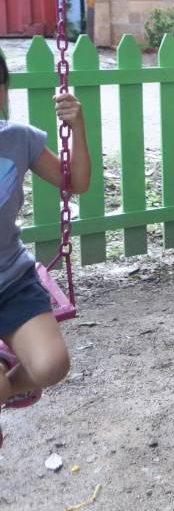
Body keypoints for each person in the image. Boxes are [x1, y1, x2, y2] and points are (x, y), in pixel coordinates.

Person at [0, 51, 89, 447]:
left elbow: (77, 182)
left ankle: (8, 378)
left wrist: (77, 126)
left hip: (11, 279)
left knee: (53, 366)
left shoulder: (18, 139)